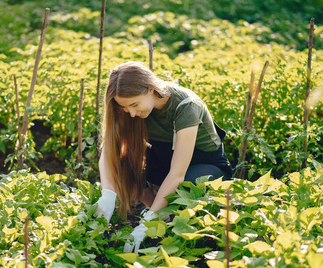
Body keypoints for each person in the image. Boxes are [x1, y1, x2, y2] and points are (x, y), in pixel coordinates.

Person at [94, 61, 232, 253]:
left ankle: (161, 216)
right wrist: (107, 194)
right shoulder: (131, 109)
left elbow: (177, 173)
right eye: (126, 108)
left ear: (150, 89)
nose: (132, 113)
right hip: (166, 157)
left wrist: (148, 222)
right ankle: (160, 213)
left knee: (189, 185)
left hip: (204, 165)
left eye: (134, 105)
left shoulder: (186, 106)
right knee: (125, 160)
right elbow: (109, 150)